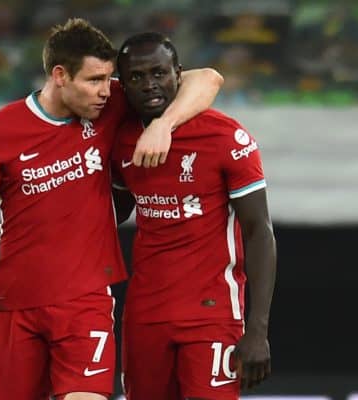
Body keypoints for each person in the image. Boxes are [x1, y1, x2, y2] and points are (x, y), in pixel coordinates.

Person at [0, 19, 223, 400]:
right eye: (94, 80)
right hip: (13, 303)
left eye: (108, 79)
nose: (104, 91)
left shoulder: (108, 106)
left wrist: (164, 125)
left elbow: (207, 78)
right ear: (60, 75)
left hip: (86, 301)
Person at [112, 32, 277, 400]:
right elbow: (118, 209)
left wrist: (258, 331)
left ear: (179, 74)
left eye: (159, 73)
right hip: (145, 315)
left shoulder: (226, 137)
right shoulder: (121, 138)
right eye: (136, 77)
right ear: (123, 85)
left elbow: (259, 231)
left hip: (211, 313)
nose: (149, 84)